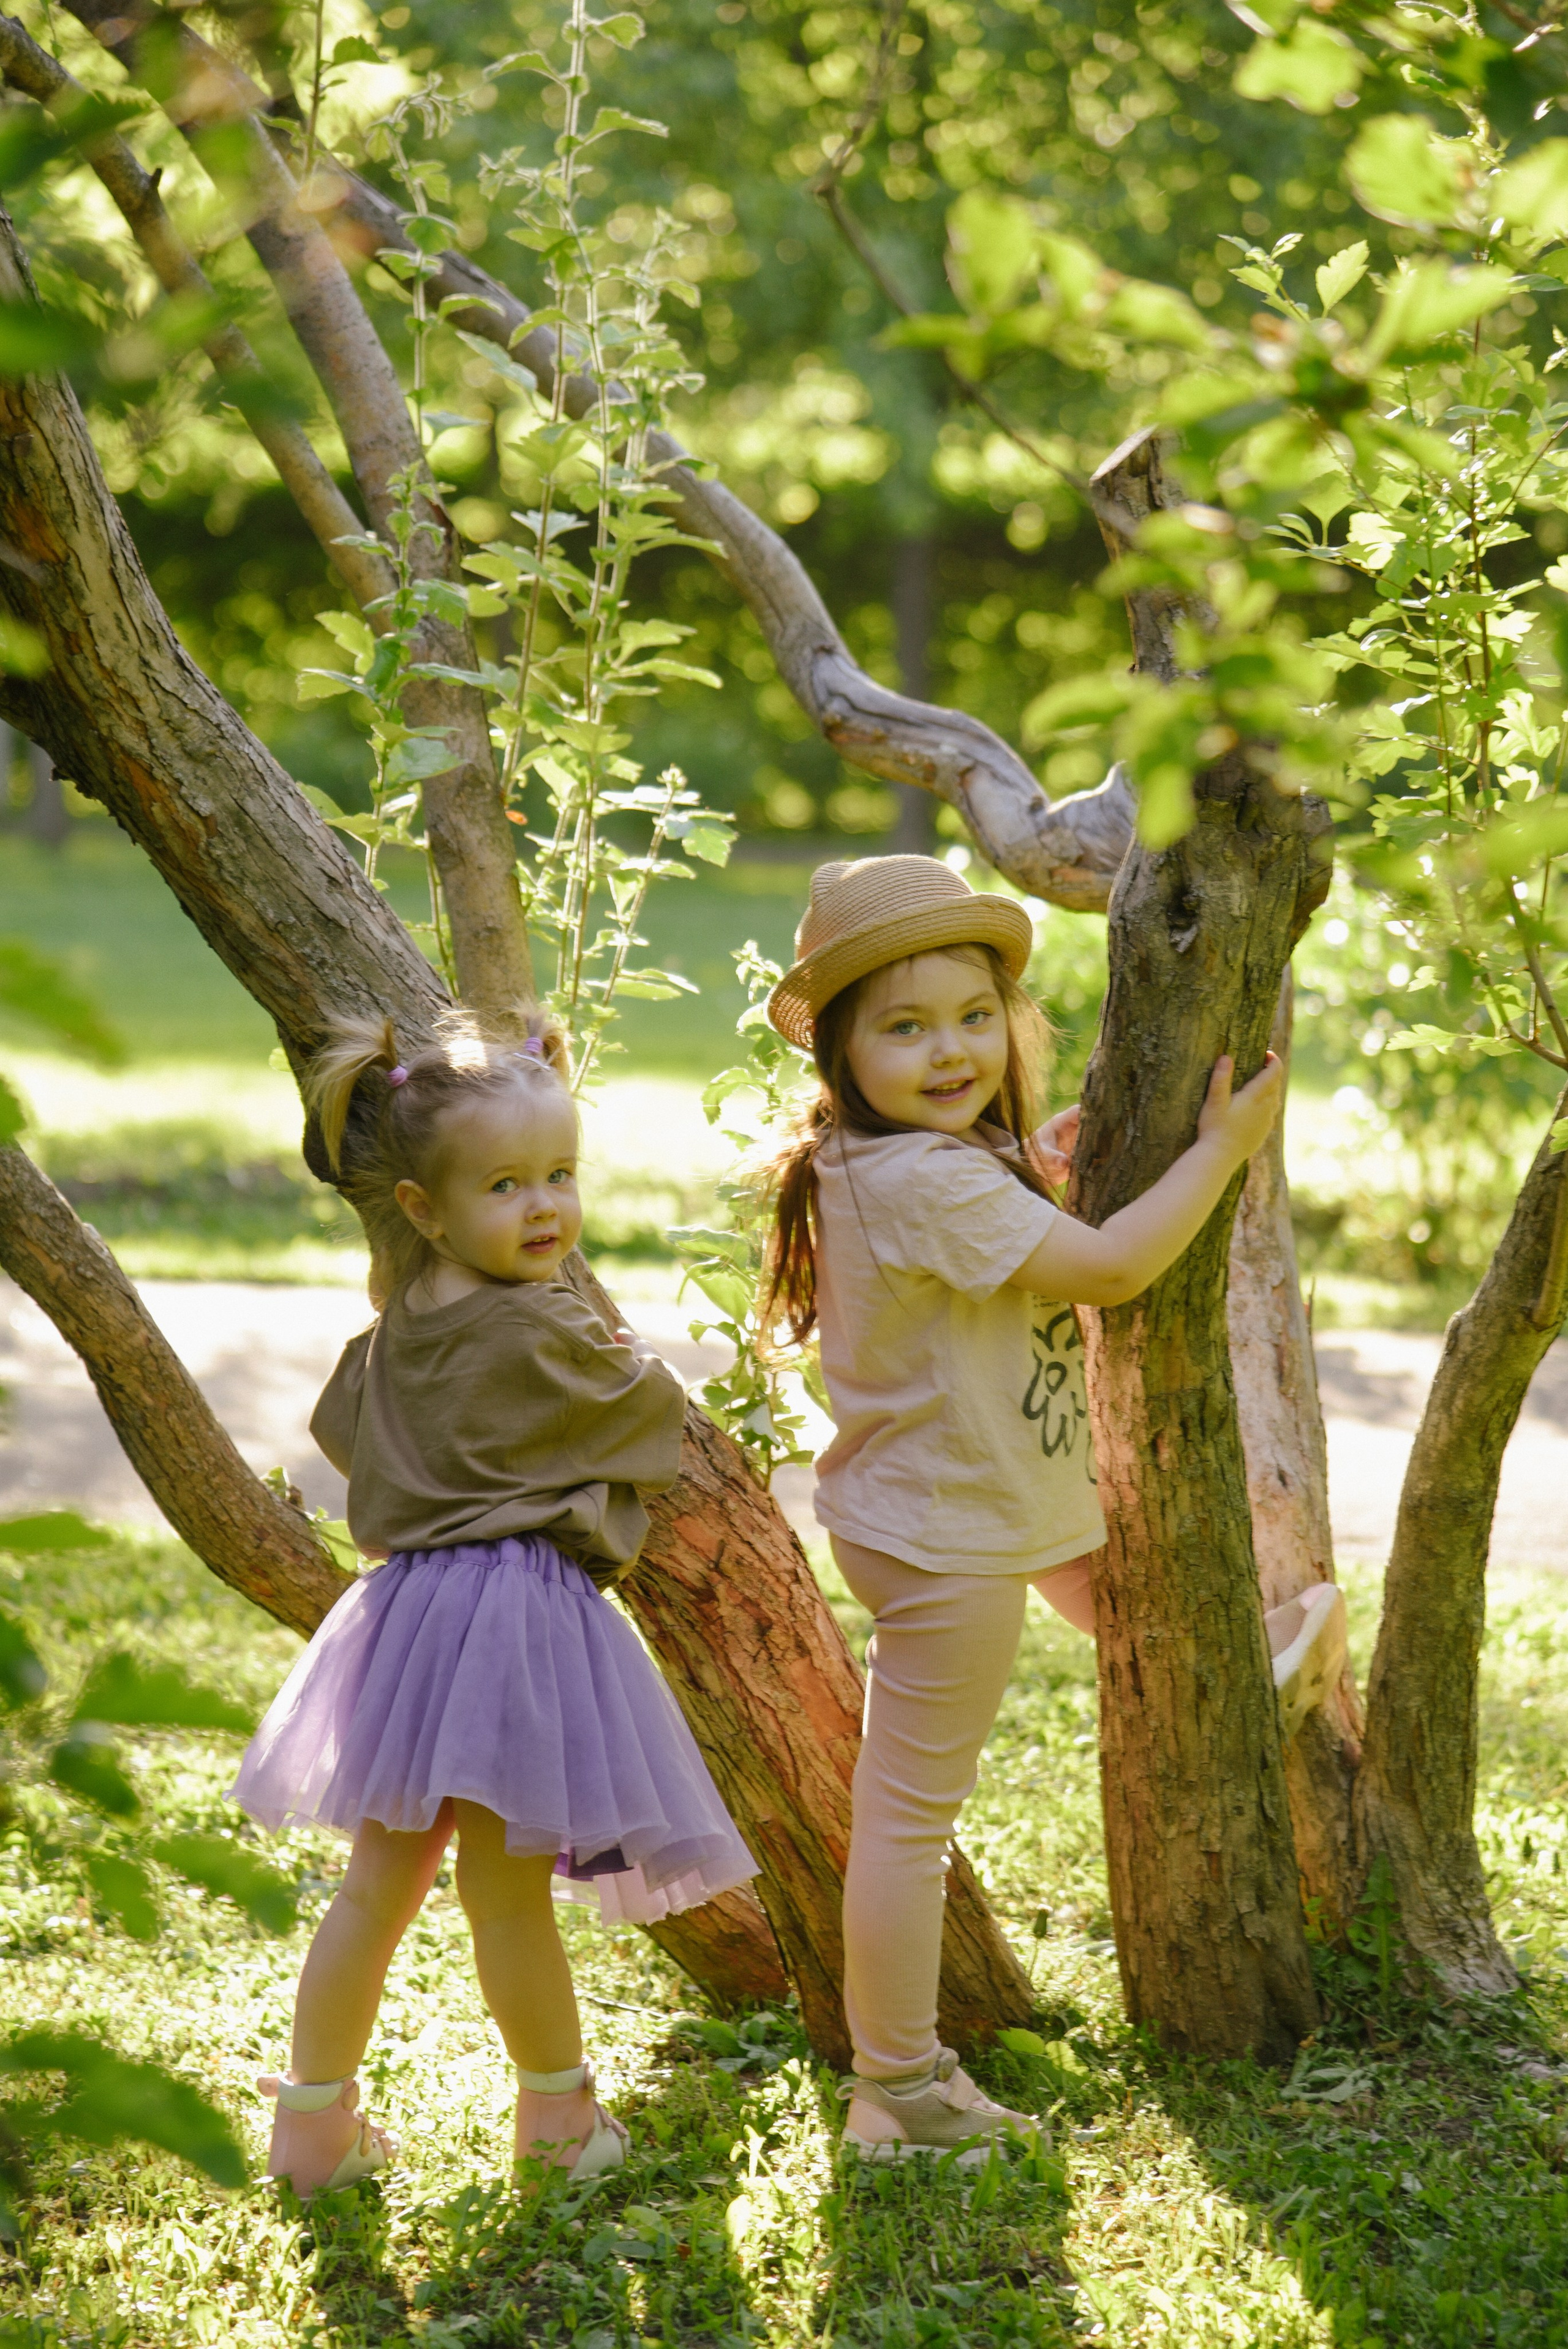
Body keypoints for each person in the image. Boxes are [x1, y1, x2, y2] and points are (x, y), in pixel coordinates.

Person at [761, 854, 1348, 2163]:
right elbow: (1117, 1266)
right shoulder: (928, 1181)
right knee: (907, 1816)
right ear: (844, 1051)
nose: (949, 1048)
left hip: (950, 1500)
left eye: (972, 1016)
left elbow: (974, 1221)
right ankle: (895, 2088)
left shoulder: (894, 1163)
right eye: (903, 1028)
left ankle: (1232, 1674)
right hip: (950, 1530)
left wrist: (1032, 1158)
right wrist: (1217, 1150)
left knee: (1092, 1573)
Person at [231, 1009, 755, 2195]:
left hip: (407, 1626)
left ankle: (312, 2129)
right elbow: (650, 1417)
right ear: (422, 1206)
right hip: (513, 1623)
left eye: (560, 1176)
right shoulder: (539, 1323)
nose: (544, 1210)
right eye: (507, 1185)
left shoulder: (395, 1327)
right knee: (505, 1895)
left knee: (378, 1886)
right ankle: (560, 2126)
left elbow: (344, 1434)